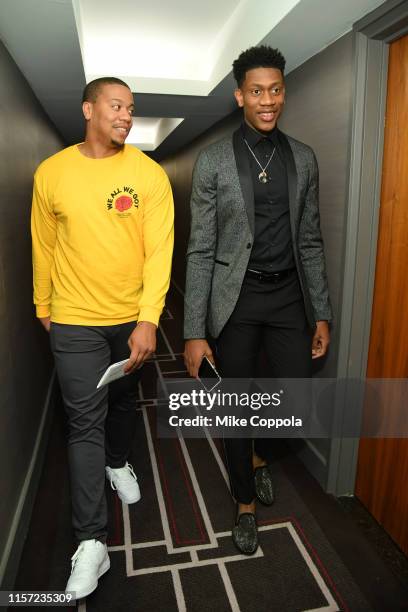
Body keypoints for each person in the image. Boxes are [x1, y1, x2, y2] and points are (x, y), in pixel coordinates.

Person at [183, 46, 331, 554]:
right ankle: (244, 502)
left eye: (275, 90)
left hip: (289, 295)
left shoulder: (304, 158)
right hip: (237, 299)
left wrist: (322, 313)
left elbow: (310, 239)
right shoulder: (213, 162)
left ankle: (261, 457)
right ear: (239, 95)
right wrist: (194, 331)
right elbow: (200, 249)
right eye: (256, 91)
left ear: (283, 92)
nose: (267, 100)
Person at [31, 77, 174, 598]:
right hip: (73, 320)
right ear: (89, 108)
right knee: (82, 423)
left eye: (131, 109)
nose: (126, 116)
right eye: (117, 106)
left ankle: (119, 462)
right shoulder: (52, 172)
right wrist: (44, 306)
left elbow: (160, 252)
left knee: (122, 401)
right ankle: (91, 541)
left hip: (129, 319)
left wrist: (149, 319)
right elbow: (42, 243)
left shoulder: (148, 174)